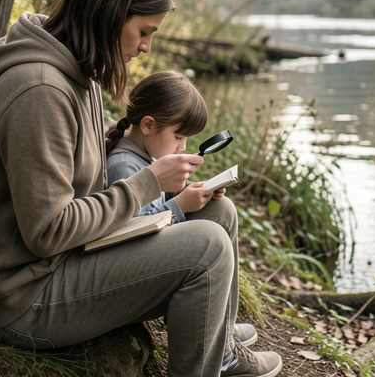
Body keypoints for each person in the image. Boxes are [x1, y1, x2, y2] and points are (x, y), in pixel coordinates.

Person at [0, 0, 282, 377]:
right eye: (144, 31)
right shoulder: (39, 91)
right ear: (109, 15)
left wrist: (164, 192)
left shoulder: (77, 77)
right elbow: (48, 231)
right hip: (22, 298)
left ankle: (217, 343)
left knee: (219, 213)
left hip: (65, 263)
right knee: (207, 246)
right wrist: (148, 183)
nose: (146, 47)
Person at [104, 71, 259, 353]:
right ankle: (219, 352)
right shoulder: (124, 166)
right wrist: (180, 205)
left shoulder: (146, 157)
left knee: (221, 208)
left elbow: (153, 205)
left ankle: (220, 330)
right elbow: (134, 231)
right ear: (148, 125)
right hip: (128, 276)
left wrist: (192, 193)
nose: (183, 147)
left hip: (147, 258)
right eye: (178, 136)